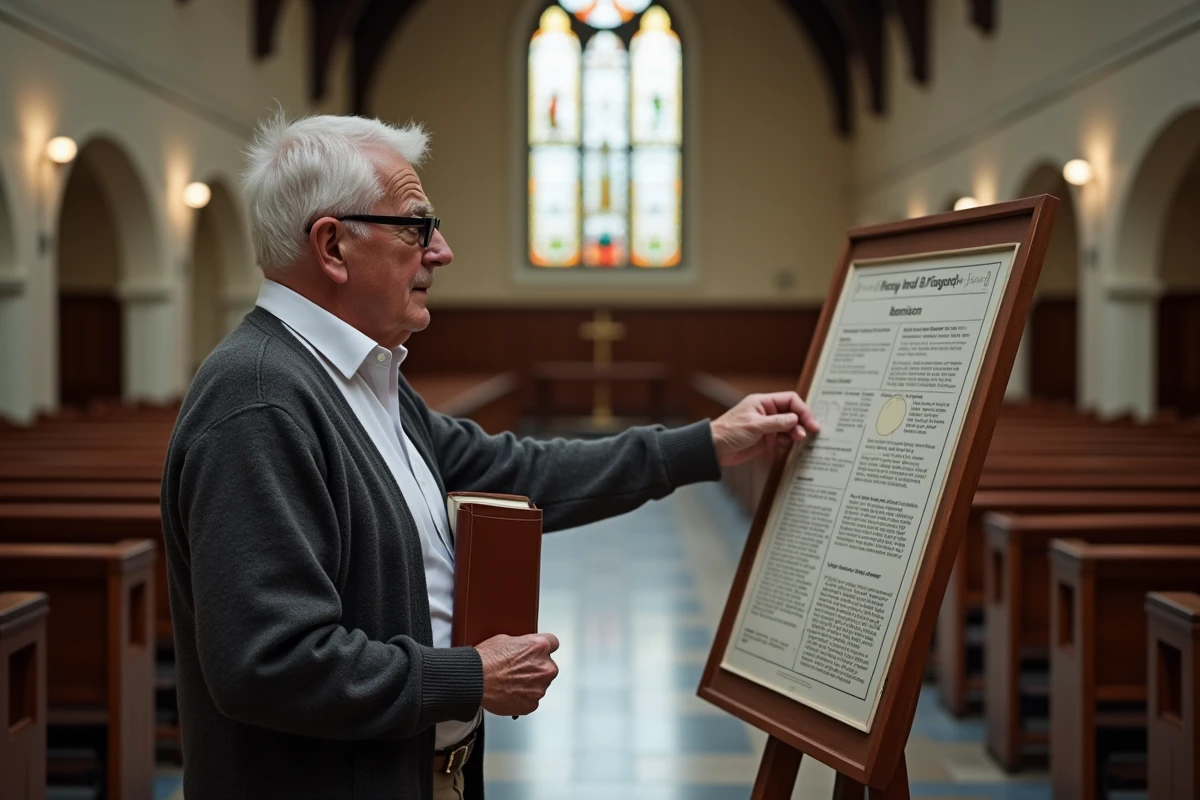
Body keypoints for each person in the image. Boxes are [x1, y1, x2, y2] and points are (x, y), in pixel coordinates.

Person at [160, 113, 820, 800]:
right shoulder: (261, 398)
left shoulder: (356, 379)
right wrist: (471, 677)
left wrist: (707, 444)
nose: (440, 251)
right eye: (417, 226)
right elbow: (269, 662)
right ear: (332, 245)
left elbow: (519, 474)